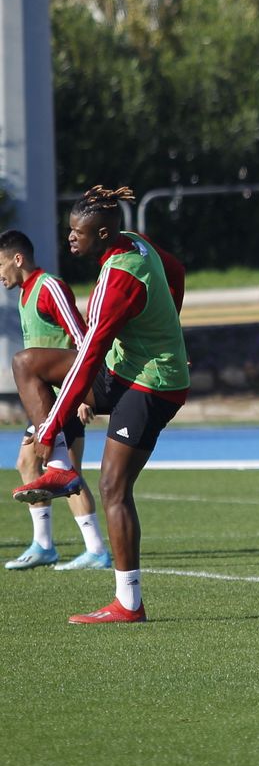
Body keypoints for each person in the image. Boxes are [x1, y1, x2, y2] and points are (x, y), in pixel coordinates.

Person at [11, 187, 189, 623]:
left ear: (104, 233)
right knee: (26, 364)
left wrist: (49, 426)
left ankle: (129, 603)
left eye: (78, 232)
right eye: (70, 229)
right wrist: (169, 319)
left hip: (154, 383)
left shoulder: (118, 278)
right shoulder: (136, 241)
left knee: (112, 487)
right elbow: (177, 270)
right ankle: (61, 465)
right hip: (124, 369)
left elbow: (88, 356)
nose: (70, 238)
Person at [1, 230, 111, 571]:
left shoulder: (50, 287)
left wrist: (80, 393)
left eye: (0, 264)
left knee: (66, 473)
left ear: (17, 259)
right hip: (46, 402)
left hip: (66, 397)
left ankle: (94, 549)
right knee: (28, 464)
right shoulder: (23, 294)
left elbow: (82, 337)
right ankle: (44, 545)